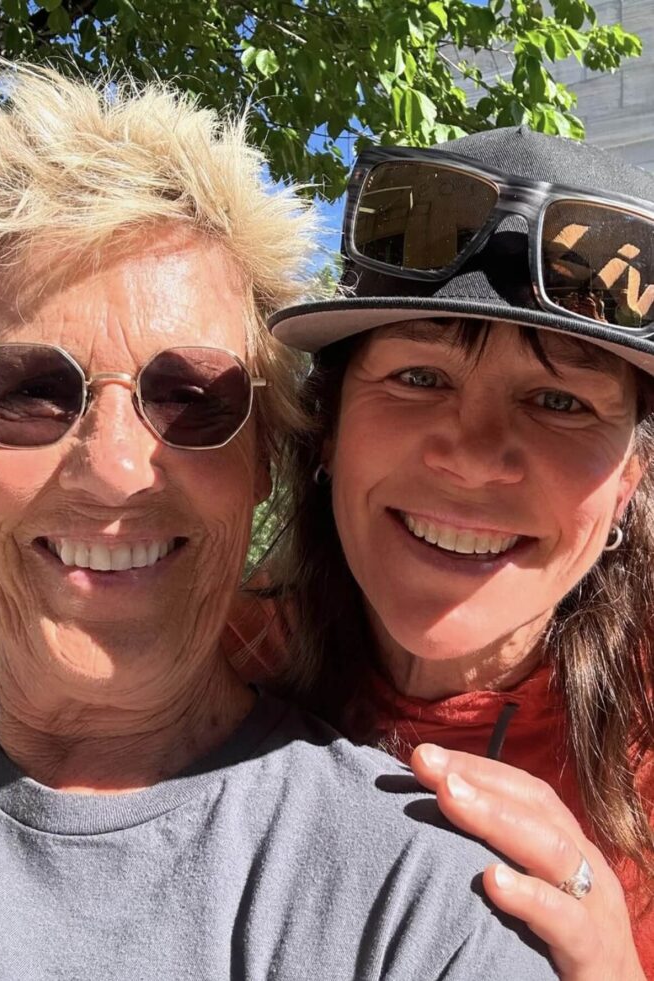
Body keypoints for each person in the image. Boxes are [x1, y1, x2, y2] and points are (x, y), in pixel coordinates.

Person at [0, 63, 557, 980]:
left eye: (193, 398)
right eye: (31, 390)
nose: (116, 470)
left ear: (265, 458)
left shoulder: (422, 907)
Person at [250, 127, 654, 980]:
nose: (472, 458)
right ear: (328, 430)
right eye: (419, 377)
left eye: (559, 401)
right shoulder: (209, 658)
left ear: (628, 480)